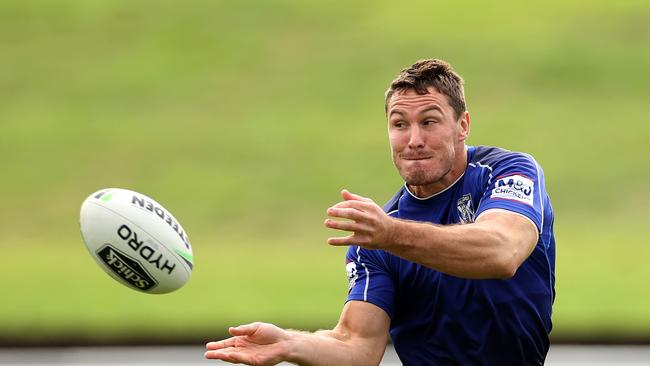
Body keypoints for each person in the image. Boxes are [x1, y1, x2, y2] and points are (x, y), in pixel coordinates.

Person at [205, 59, 556, 365]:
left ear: (463, 126)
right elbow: (357, 346)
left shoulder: (507, 172)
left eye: (429, 122)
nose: (413, 139)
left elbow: (500, 252)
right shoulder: (375, 235)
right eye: (400, 124)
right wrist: (291, 344)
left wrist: (390, 234)